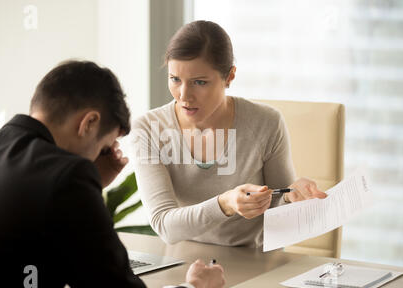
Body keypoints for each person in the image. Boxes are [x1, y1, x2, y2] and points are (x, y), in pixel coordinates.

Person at [0, 60, 224, 288]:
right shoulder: (67, 178)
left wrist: (92, 183)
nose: (101, 157)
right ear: (89, 123)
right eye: (105, 147)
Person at [131, 20, 327, 247]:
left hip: (255, 263)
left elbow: (278, 211)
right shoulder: (148, 129)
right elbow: (164, 225)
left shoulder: (266, 123)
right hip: (184, 263)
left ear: (230, 76)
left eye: (199, 82)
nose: (184, 95)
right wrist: (225, 204)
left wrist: (293, 198)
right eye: (175, 79)